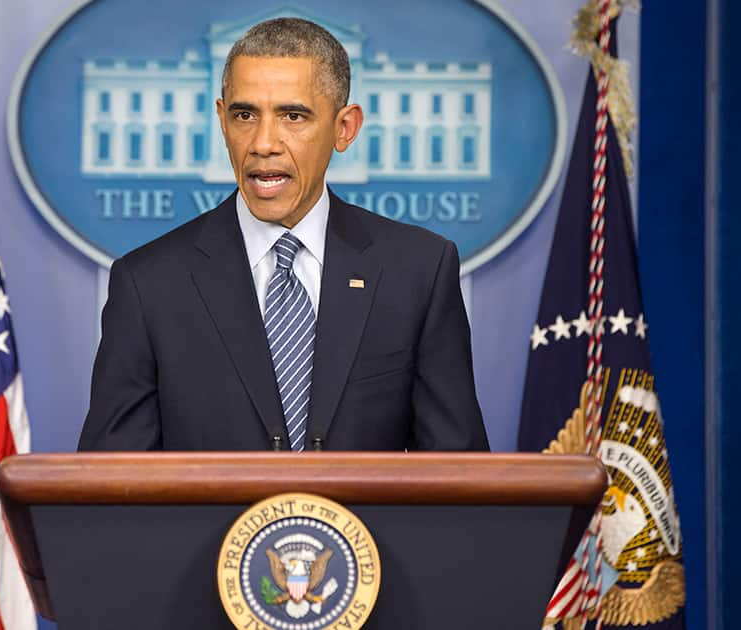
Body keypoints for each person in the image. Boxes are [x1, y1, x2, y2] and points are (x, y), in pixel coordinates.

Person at [78, 17, 488, 452]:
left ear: (344, 128)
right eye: (244, 115)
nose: (263, 143)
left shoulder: (419, 272)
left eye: (293, 115)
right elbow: (111, 493)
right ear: (221, 120)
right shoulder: (148, 284)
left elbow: (458, 482)